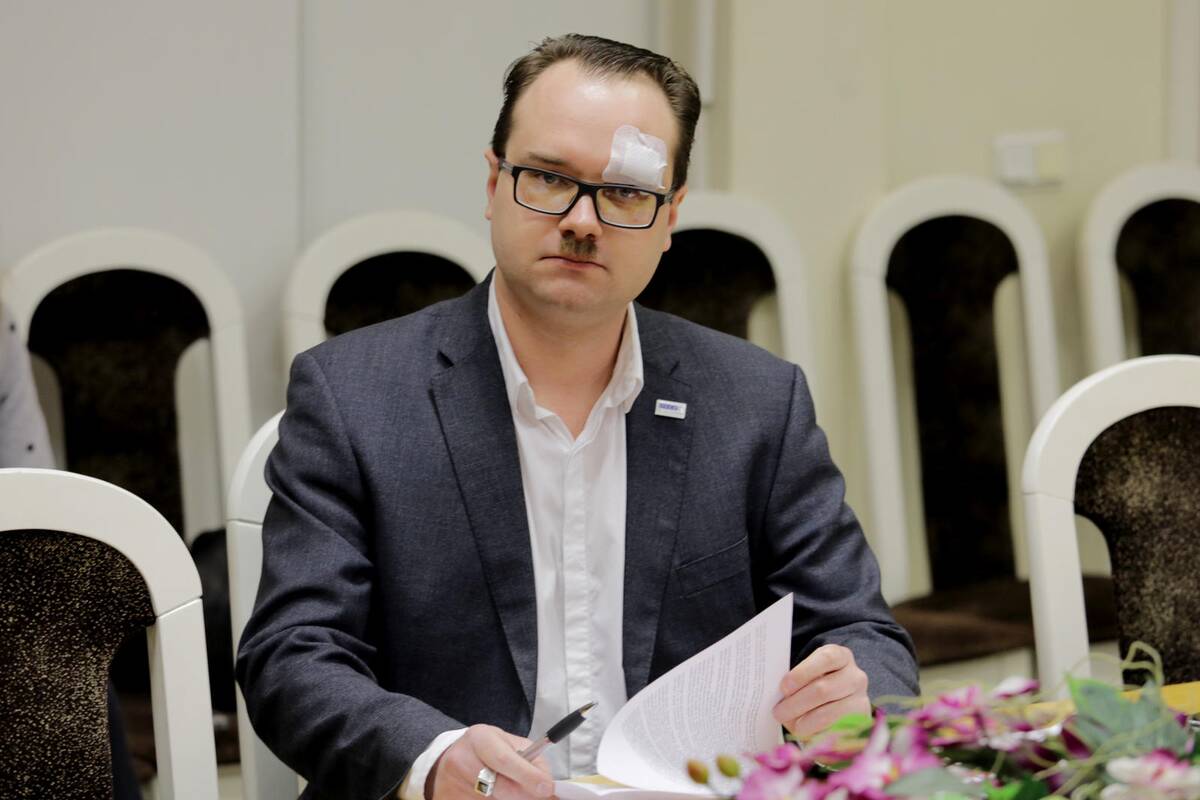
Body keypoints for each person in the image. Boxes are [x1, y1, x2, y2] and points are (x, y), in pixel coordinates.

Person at [237, 33, 918, 800]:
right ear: (494, 182)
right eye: (549, 178)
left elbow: (862, 633)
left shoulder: (757, 400)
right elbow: (292, 656)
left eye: (625, 192)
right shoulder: (353, 394)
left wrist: (854, 702)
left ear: (670, 217)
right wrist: (431, 758)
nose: (582, 220)